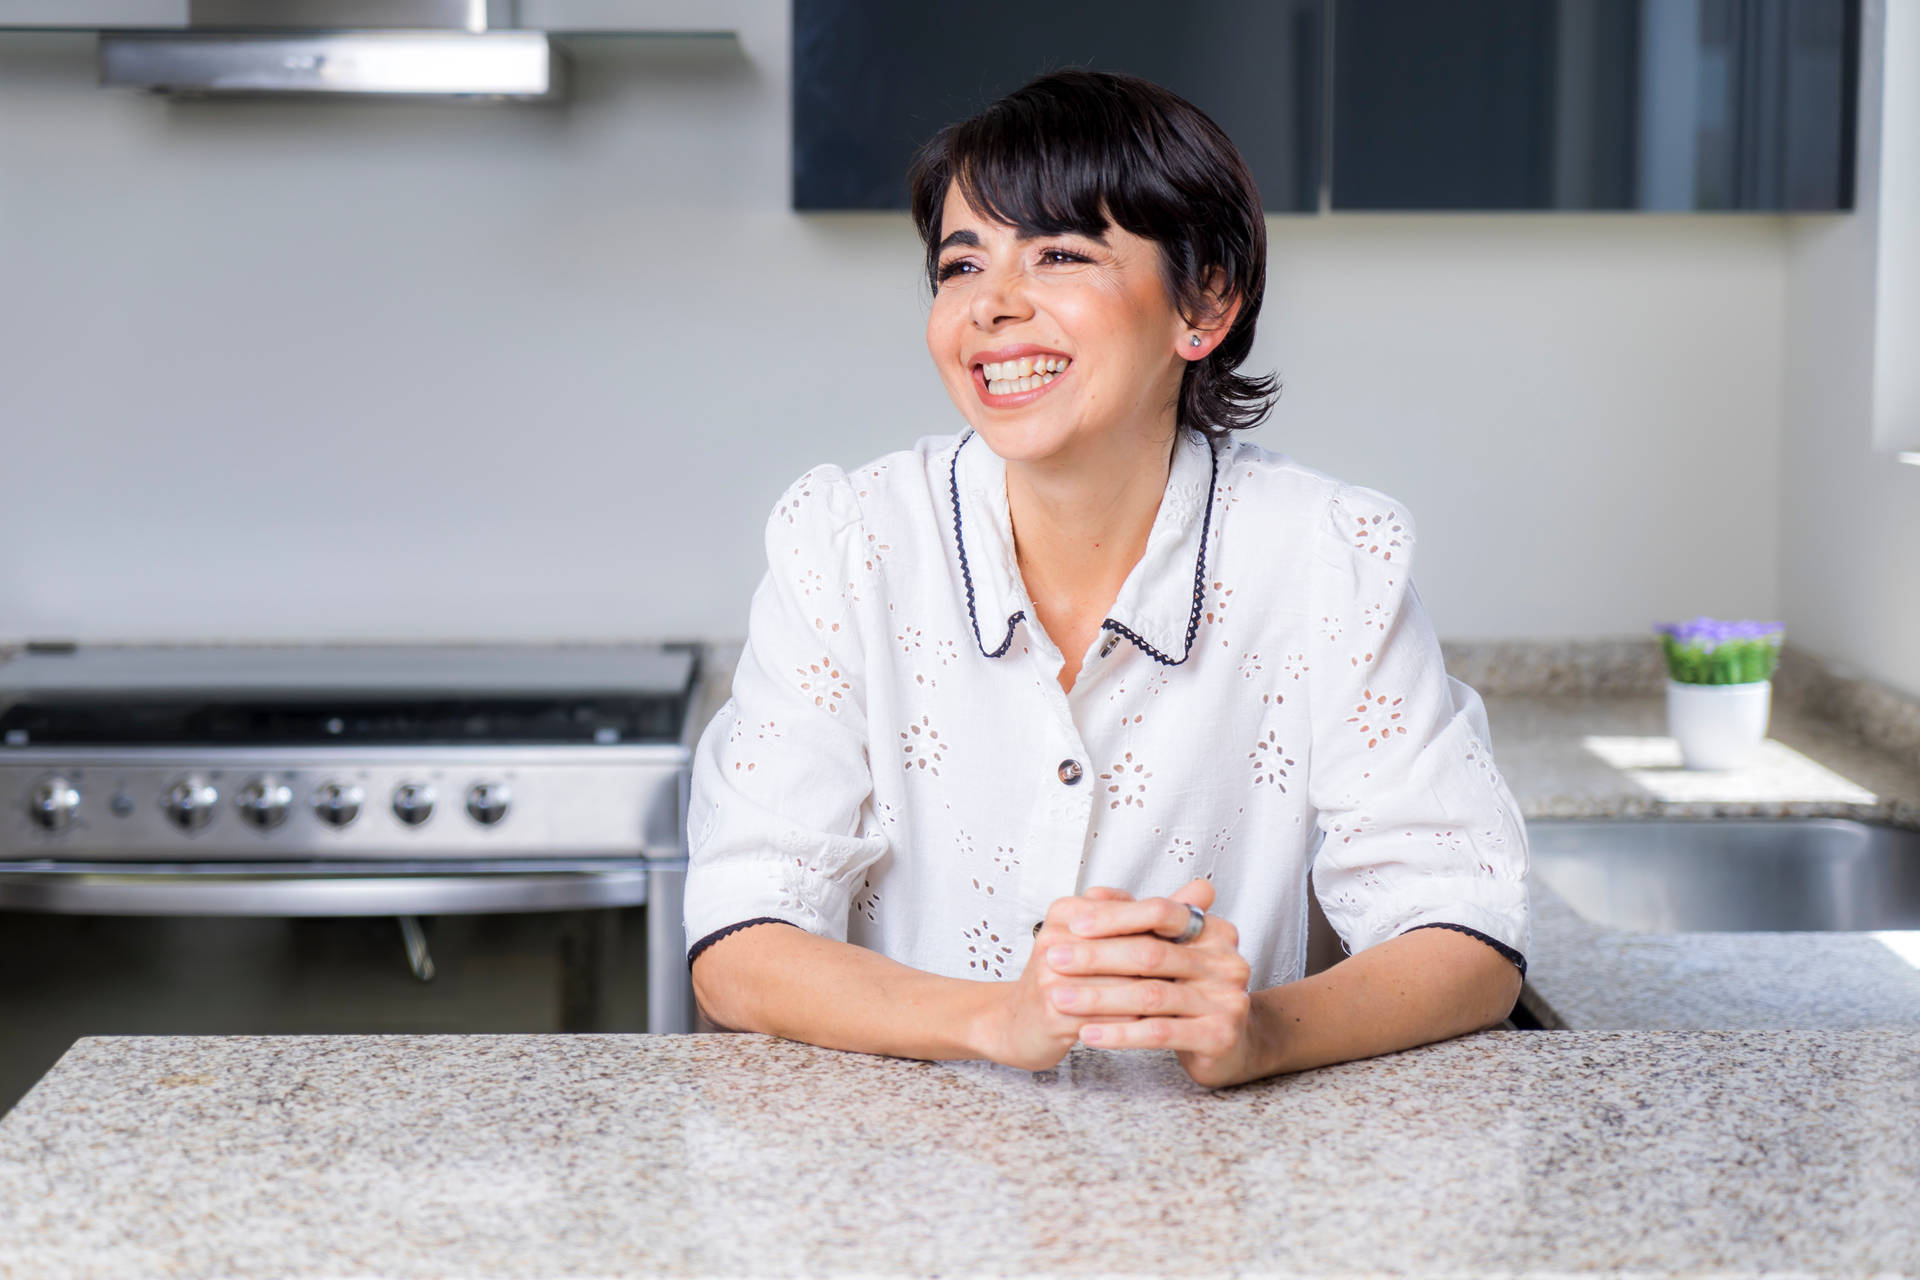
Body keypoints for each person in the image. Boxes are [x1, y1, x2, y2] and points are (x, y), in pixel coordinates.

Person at [682, 68, 1529, 1088]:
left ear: (1204, 303)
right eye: (961, 264)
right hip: (902, 1200)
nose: (992, 305)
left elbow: (1465, 927)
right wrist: (1001, 1015)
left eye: (1060, 254)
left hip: (1219, 1204)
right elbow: (741, 937)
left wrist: (1261, 1030)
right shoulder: (847, 542)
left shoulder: (1326, 559)